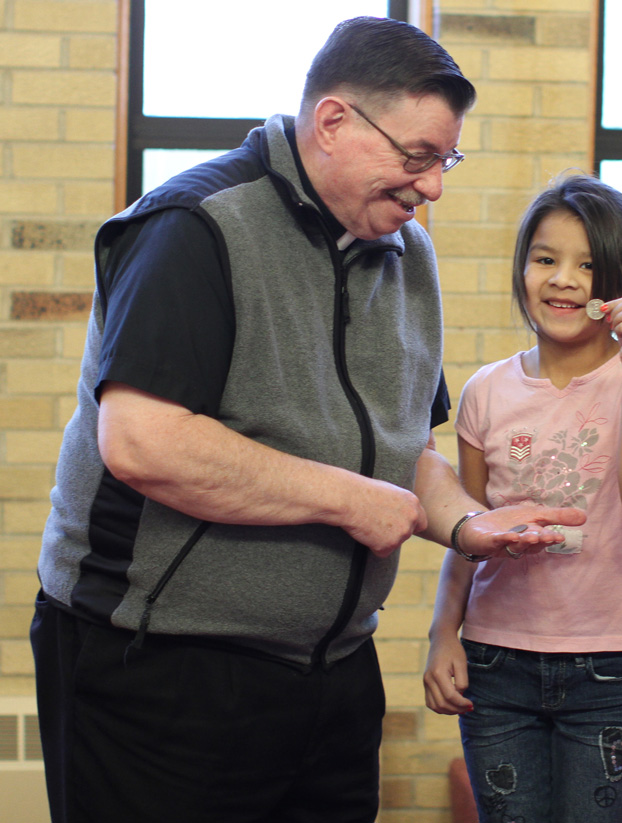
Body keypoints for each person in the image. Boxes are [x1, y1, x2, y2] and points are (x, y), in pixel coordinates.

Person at [30, 17, 584, 823]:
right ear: (333, 122)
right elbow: (145, 442)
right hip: (158, 668)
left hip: (333, 671)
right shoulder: (194, 226)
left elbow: (405, 453)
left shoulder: (407, 255)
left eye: (446, 160)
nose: (433, 186)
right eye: (418, 157)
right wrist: (346, 498)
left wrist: (470, 524)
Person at [423, 173, 622, 823]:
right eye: (546, 259)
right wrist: (441, 634)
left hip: (609, 667)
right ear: (522, 270)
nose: (563, 278)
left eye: (588, 265)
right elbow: (467, 527)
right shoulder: (485, 390)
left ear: (620, 282)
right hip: (496, 660)